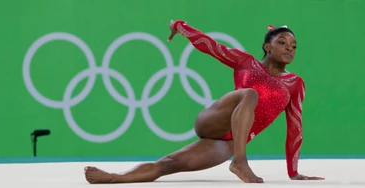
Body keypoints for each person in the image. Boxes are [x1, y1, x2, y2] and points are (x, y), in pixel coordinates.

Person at [84, 20, 325, 184]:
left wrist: (293, 172)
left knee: (168, 164)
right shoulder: (246, 62)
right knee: (250, 94)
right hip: (213, 121)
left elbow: (295, 127)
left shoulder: (295, 83)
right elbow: (211, 46)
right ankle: (240, 162)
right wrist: (180, 26)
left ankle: (115, 178)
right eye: (282, 42)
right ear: (266, 46)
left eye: (293, 46)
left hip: (228, 142)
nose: (289, 48)